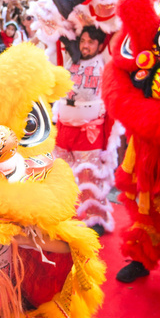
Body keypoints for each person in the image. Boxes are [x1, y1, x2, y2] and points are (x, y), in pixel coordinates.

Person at [53, 26, 116, 235]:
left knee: (90, 176)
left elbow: (114, 31)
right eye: (83, 41)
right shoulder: (69, 58)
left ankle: (96, 218)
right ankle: (66, 214)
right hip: (64, 128)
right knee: (62, 173)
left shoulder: (104, 60)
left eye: (90, 42)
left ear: (100, 45)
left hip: (90, 131)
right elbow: (59, 28)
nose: (85, 45)